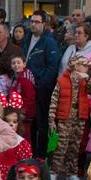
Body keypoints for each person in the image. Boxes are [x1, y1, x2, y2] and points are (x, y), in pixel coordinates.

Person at [49, 55, 91, 180]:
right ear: (76, 66)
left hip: (79, 118)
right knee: (61, 145)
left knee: (75, 146)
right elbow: (54, 101)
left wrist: (88, 79)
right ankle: (54, 170)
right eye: (84, 65)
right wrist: (51, 120)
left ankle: (72, 173)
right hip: (64, 118)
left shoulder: (85, 81)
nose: (87, 68)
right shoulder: (62, 80)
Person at [22, 12, 61, 153]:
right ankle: (29, 151)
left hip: (41, 87)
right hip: (27, 86)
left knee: (41, 122)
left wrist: (42, 84)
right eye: (32, 21)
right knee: (29, 121)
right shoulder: (26, 39)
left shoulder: (49, 42)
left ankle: (41, 155)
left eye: (37, 22)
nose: (33, 24)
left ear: (44, 24)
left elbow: (53, 66)